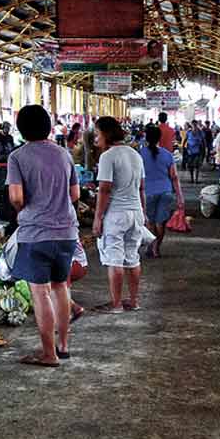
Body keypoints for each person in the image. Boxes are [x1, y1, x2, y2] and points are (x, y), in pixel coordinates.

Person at [5, 105, 79, 367]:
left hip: (36, 233)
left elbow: (16, 197)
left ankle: (49, 354)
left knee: (40, 292)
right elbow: (75, 196)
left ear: (22, 128)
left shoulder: (17, 157)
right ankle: (64, 345)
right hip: (67, 232)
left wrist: (22, 209)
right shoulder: (63, 154)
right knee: (61, 287)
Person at [91, 116, 145, 313]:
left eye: (97, 135)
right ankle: (134, 300)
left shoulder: (108, 156)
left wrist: (97, 218)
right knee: (132, 257)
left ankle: (116, 304)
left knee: (115, 259)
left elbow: (104, 189)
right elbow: (141, 188)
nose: (95, 139)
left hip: (116, 214)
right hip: (135, 212)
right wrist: (143, 213)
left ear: (106, 134)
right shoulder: (135, 154)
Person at [140, 124, 185, 258]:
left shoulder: (139, 155)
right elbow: (174, 177)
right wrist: (179, 196)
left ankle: (151, 246)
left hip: (147, 192)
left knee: (150, 222)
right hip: (166, 192)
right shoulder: (167, 155)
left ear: (146, 138)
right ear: (159, 138)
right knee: (161, 222)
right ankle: (156, 248)